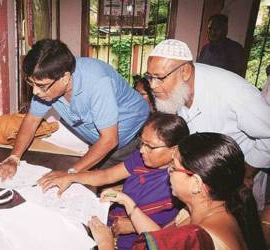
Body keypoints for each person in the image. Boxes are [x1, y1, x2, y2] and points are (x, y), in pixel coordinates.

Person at [0, 39, 149, 181]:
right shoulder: (48, 83)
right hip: (99, 139)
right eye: (31, 83)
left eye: (41, 86)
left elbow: (109, 140)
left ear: (65, 77)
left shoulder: (98, 82)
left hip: (133, 140)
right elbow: (31, 120)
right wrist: (13, 158)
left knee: (96, 190)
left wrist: (70, 172)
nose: (35, 92)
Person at [145, 39, 270, 211]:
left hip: (244, 172)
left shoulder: (232, 92)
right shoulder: (180, 87)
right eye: (149, 77)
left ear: (185, 71)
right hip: (209, 174)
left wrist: (247, 173)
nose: (153, 85)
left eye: (159, 78)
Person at [38, 113, 188, 250]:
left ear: (174, 150)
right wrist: (70, 176)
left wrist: (131, 226)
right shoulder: (141, 160)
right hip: (108, 224)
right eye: (142, 143)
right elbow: (107, 176)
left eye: (150, 146)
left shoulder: (181, 183)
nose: (142, 150)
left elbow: (170, 236)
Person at [100, 133, 266, 250]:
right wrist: (128, 203)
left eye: (173, 168)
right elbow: (161, 236)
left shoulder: (191, 238)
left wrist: (106, 243)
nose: (168, 172)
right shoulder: (219, 210)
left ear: (196, 183)